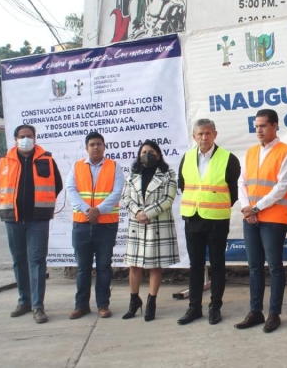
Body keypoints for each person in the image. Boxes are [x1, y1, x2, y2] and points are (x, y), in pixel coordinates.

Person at [0, 125, 63, 324]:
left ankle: (38, 306)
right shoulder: (4, 161)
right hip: (13, 220)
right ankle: (24, 301)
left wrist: (41, 206)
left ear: (35, 137)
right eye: (22, 136)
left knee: (37, 261)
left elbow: (57, 185)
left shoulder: (46, 160)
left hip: (37, 221)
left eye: (29, 136)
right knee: (19, 260)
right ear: (15, 139)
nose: (26, 139)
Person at [235, 109, 287, 333]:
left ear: (275, 126)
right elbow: (242, 182)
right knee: (254, 267)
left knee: (274, 267)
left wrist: (256, 207)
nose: (258, 130)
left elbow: (282, 187)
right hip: (250, 217)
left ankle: (274, 314)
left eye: (263, 126)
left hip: (272, 218)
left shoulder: (286, 152)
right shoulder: (250, 152)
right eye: (256, 126)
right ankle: (255, 312)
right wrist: (245, 208)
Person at [176, 119, 241, 326]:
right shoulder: (186, 158)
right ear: (194, 136)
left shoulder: (228, 159)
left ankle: (215, 307)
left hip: (216, 221)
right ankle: (194, 308)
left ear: (215, 134)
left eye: (207, 133)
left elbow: (234, 192)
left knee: (217, 265)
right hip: (193, 219)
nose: (204, 138)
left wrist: (214, 203)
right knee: (195, 265)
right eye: (200, 134)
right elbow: (182, 184)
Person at [66, 132, 124, 319]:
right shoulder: (76, 167)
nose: (96, 147)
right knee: (82, 268)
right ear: (86, 148)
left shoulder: (114, 166)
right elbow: (71, 190)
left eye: (99, 144)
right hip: (82, 225)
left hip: (105, 226)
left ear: (104, 146)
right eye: (92, 144)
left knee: (104, 267)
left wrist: (98, 210)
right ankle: (81, 306)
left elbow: (117, 192)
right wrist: (86, 210)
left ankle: (103, 305)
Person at [121, 139, 180, 321]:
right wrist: (138, 213)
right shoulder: (133, 174)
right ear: (139, 155)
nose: (147, 154)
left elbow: (168, 199)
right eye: (144, 151)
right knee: (134, 265)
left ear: (159, 155)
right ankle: (133, 301)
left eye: (152, 151)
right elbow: (126, 197)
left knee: (155, 266)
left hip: (157, 224)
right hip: (137, 225)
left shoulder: (168, 174)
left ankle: (151, 302)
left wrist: (148, 213)